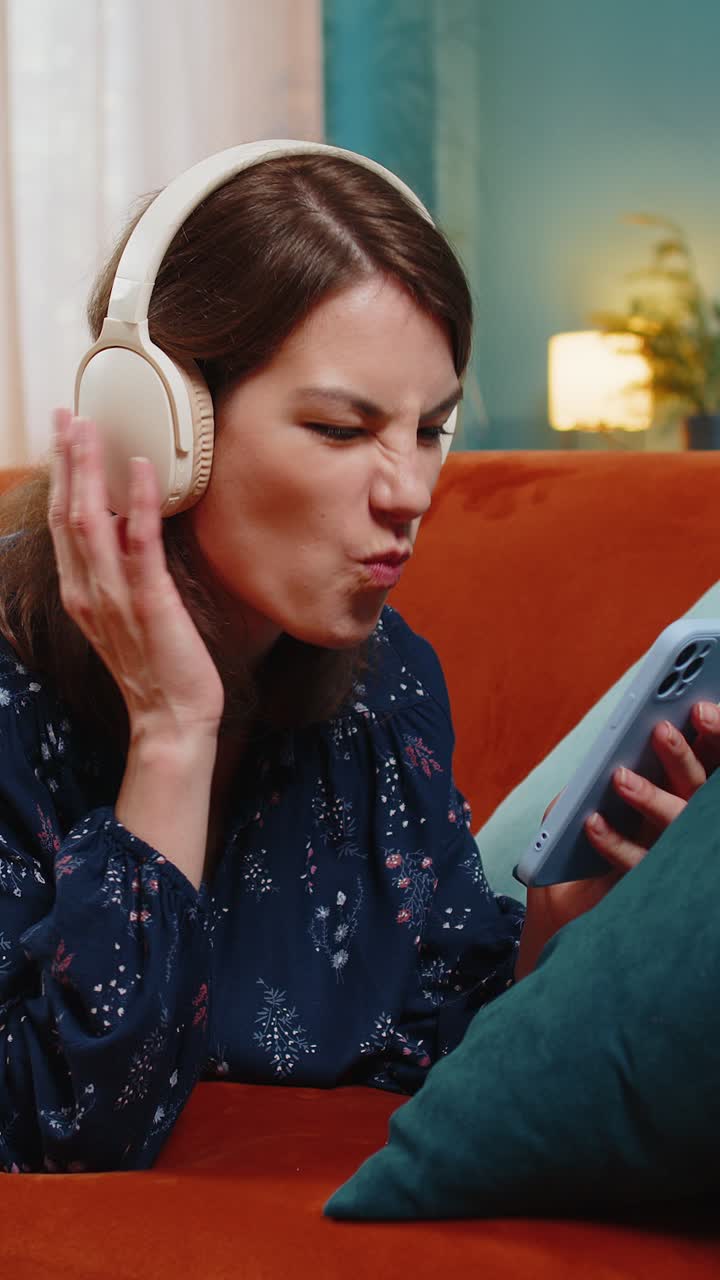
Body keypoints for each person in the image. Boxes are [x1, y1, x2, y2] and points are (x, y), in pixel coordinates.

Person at [0, 144, 717, 1175]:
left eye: (429, 428)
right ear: (154, 421)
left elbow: (435, 1018)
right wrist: (170, 734)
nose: (411, 491)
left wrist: (567, 919)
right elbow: (61, 1127)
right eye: (342, 427)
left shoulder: (387, 678)